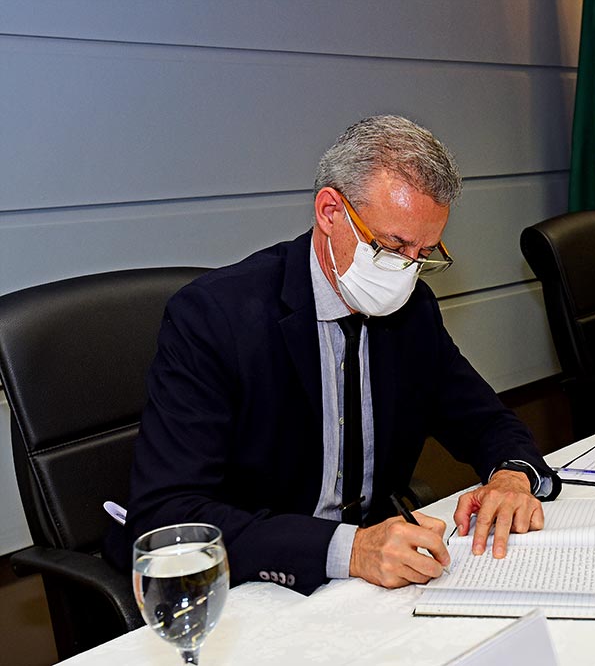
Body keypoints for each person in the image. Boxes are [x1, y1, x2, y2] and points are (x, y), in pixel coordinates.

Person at [106, 115, 561, 594]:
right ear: (330, 212)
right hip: (252, 580)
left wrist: (512, 476)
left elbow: (484, 420)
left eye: (423, 253)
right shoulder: (214, 317)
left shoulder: (412, 312)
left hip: (369, 585)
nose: (406, 271)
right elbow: (167, 515)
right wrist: (349, 549)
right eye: (393, 245)